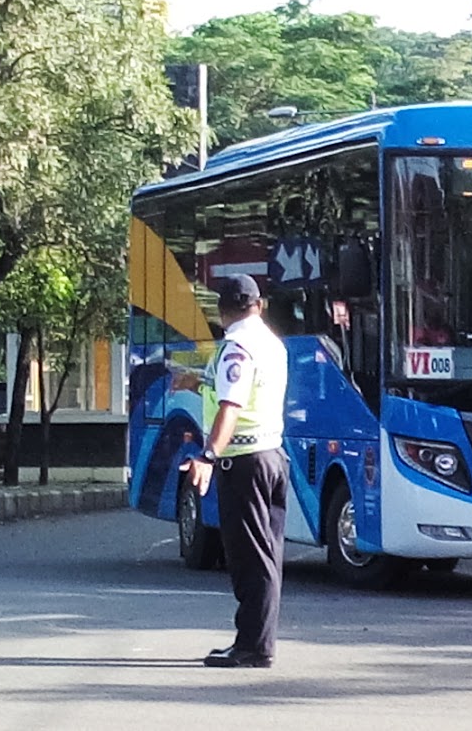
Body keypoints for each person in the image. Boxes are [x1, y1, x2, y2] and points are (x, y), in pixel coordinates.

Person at [180, 274, 290, 669]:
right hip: (272, 457)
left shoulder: (236, 348)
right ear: (258, 306)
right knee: (266, 554)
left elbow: (231, 407)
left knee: (248, 558)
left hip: (244, 463)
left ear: (222, 310)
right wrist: (198, 384)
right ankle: (256, 640)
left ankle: (254, 646)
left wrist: (207, 455)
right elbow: (237, 394)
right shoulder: (272, 345)